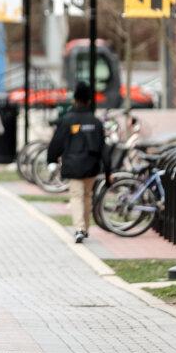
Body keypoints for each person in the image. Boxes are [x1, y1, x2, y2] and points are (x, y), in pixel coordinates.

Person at [47, 82, 109, 245]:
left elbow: (57, 142)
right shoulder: (95, 122)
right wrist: (109, 171)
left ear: (75, 99)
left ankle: (79, 229)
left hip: (73, 165)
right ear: (89, 100)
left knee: (76, 196)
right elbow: (103, 147)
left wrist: (51, 159)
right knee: (87, 195)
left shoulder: (67, 120)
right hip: (91, 166)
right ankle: (85, 228)